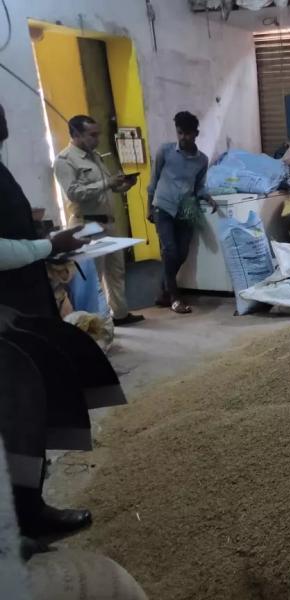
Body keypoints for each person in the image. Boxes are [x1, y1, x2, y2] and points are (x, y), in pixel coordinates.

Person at [0, 103, 126, 539]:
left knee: (32, 402)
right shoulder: (62, 161)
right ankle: (27, 514)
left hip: (23, 298)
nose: (4, 117)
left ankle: (26, 503)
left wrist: (42, 243)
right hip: (8, 308)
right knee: (20, 405)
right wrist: (48, 247)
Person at [54, 115, 144, 326]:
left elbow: (109, 187)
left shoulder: (95, 157)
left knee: (116, 271)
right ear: (76, 134)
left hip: (108, 223)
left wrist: (124, 184)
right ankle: (93, 323)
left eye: (98, 134)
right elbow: (74, 193)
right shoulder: (65, 160)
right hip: (86, 226)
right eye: (92, 135)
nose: (97, 139)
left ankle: (119, 314)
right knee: (92, 278)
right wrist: (107, 183)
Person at [147, 111, 217, 314]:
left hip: (186, 210)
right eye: (180, 133)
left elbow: (199, 186)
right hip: (163, 207)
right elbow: (153, 181)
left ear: (196, 134)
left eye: (187, 133)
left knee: (182, 252)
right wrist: (149, 207)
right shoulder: (165, 151)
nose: (183, 137)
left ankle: (163, 292)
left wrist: (207, 197)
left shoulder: (201, 160)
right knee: (170, 250)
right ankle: (175, 297)